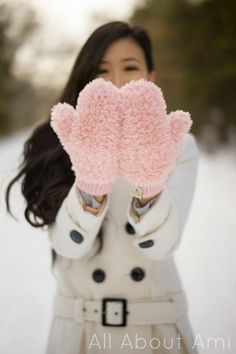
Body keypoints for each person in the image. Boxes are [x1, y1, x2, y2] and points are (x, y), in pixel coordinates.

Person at [5, 21, 199, 354]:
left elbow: (162, 246)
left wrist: (149, 180)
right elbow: (68, 247)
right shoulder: (61, 141)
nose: (117, 82)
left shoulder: (177, 145)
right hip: (81, 330)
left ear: (151, 78)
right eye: (101, 72)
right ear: (85, 81)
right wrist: (91, 180)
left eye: (130, 68)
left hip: (154, 330)